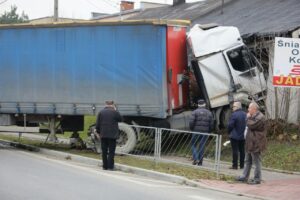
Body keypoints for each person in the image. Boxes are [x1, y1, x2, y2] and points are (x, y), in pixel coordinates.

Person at [236, 102, 267, 184]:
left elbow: (252, 125)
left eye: (249, 108)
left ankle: (257, 179)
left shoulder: (260, 117)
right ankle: (244, 176)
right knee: (247, 160)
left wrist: (247, 118)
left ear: (254, 109)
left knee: (257, 161)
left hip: (256, 143)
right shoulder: (253, 116)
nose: (248, 110)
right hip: (250, 142)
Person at [96, 100, 122, 170]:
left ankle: (104, 166)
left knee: (104, 151)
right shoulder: (115, 112)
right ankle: (110, 167)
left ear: (106, 104)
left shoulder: (101, 112)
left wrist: (98, 132)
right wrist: (116, 110)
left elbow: (98, 124)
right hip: (112, 135)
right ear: (113, 104)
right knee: (111, 151)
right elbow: (120, 119)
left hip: (103, 134)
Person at [189, 99, 214, 166]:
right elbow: (211, 124)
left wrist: (192, 129)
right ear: (204, 104)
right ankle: (200, 162)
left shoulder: (194, 112)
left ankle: (196, 158)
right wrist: (209, 131)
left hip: (196, 131)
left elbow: (191, 122)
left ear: (198, 105)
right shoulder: (209, 113)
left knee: (193, 144)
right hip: (205, 132)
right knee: (202, 146)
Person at [227, 101, 246, 170]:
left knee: (235, 150)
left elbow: (230, 125)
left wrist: (229, 132)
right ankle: (242, 165)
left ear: (237, 107)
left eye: (234, 106)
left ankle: (235, 165)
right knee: (242, 150)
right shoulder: (245, 114)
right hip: (243, 135)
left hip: (234, 136)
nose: (232, 108)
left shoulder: (234, 115)